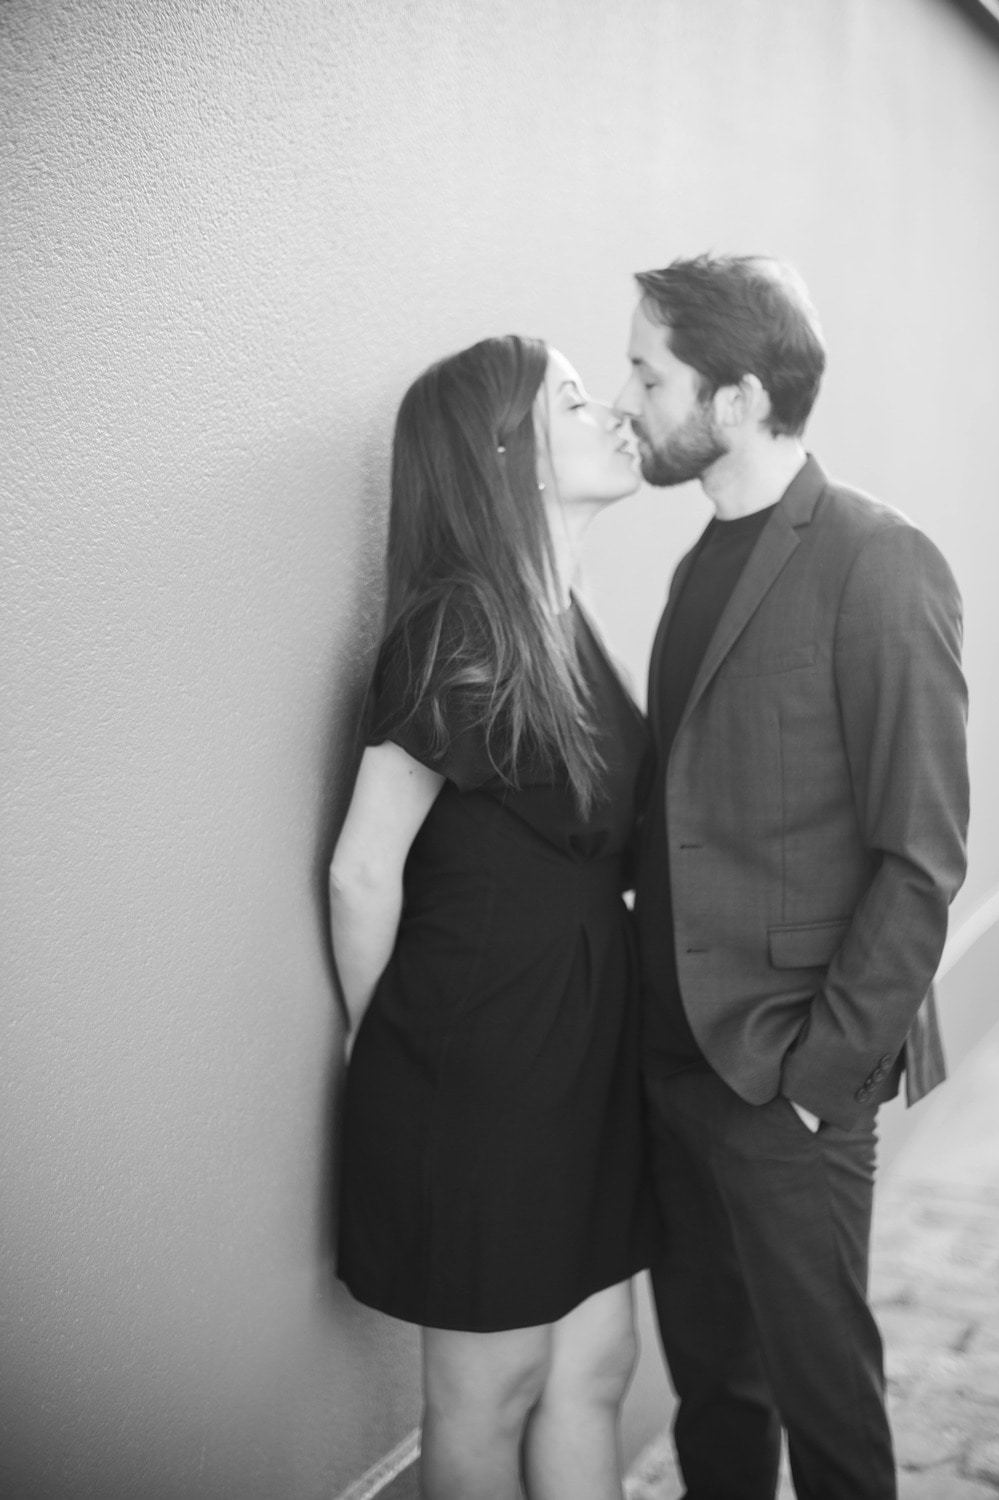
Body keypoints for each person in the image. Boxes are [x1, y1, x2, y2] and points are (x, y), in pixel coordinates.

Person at [614, 255, 970, 1500]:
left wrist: (821, 1084)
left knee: (827, 1417)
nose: (632, 401)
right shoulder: (694, 566)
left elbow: (921, 855)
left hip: (790, 1079)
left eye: (650, 373)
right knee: (717, 1399)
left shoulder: (879, 561)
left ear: (734, 401)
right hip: (678, 1065)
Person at [330, 334, 657, 1500]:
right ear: (504, 454)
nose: (611, 412)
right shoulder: (452, 630)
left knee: (598, 1366)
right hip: (479, 1062)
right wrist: (389, 1048)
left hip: (582, 1053)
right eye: (574, 398)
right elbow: (364, 871)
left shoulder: (569, 618)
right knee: (492, 1391)